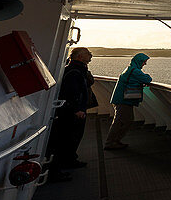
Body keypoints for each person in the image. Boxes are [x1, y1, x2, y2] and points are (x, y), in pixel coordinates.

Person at [45, 47, 95, 180]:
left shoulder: (77, 69)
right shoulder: (74, 71)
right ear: (79, 57)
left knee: (72, 138)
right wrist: (77, 109)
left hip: (72, 110)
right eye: (87, 54)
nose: (90, 55)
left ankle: (69, 160)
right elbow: (72, 92)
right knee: (67, 139)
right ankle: (57, 170)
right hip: (72, 112)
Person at [104, 53, 151, 150]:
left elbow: (131, 81)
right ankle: (110, 143)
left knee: (125, 121)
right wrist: (147, 76)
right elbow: (147, 79)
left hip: (122, 99)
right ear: (139, 61)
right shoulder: (135, 71)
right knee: (120, 121)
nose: (145, 64)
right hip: (123, 100)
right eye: (144, 62)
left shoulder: (129, 69)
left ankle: (115, 141)